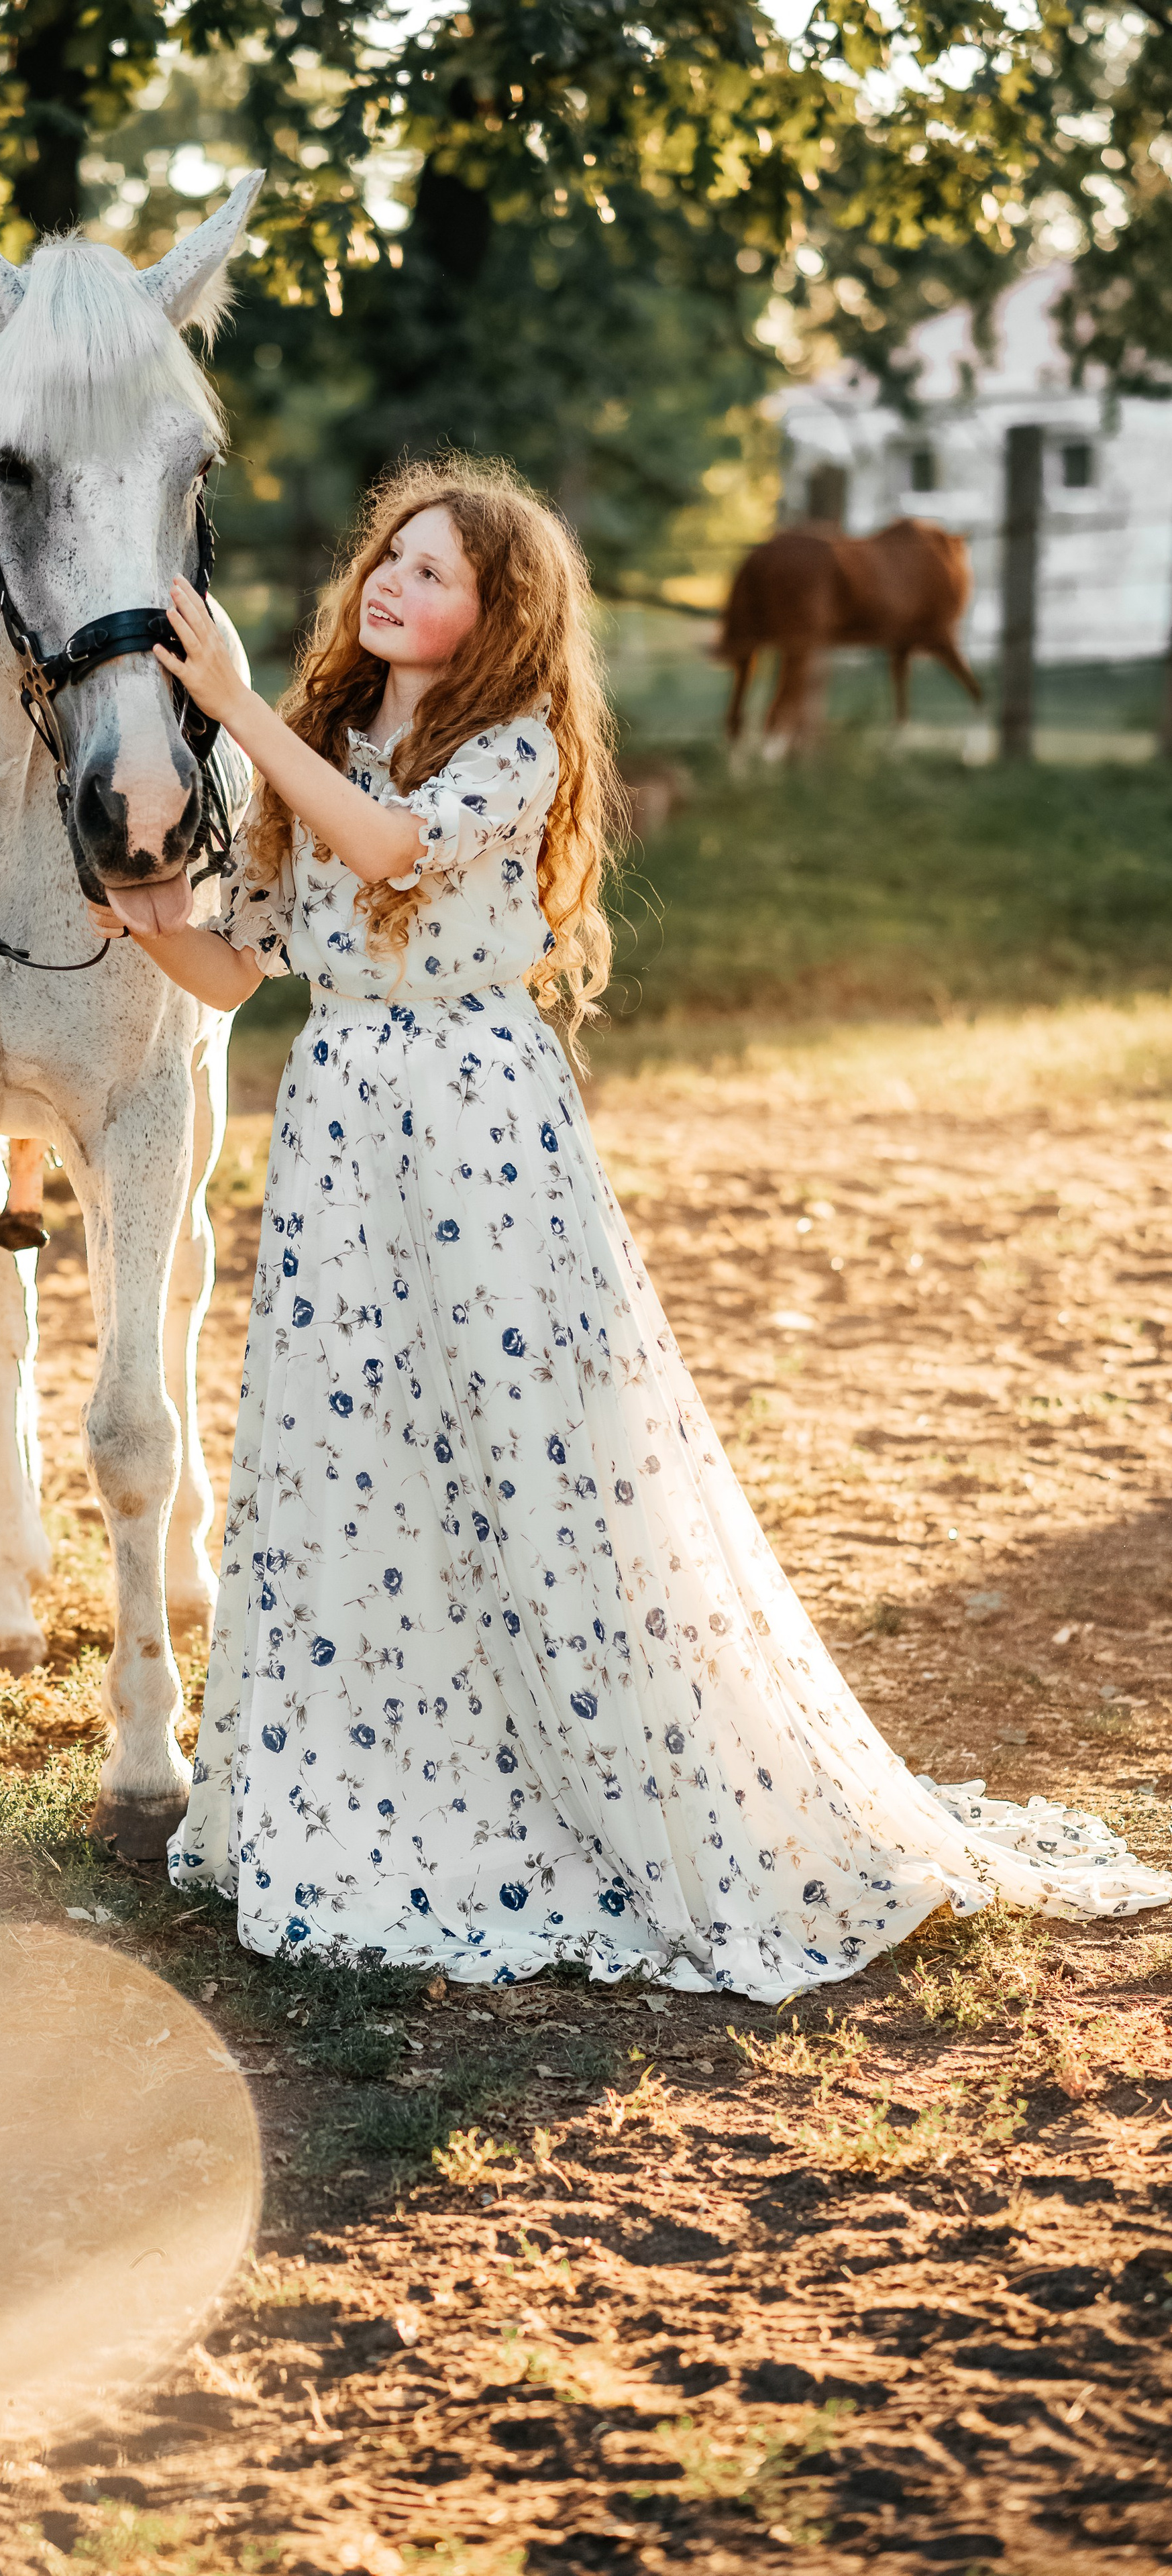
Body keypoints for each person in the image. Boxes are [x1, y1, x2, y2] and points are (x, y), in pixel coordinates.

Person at [90, 455, 1171, 1999]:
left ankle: (591, 1769)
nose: (394, 582)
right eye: (387, 558)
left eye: (436, 572)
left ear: (497, 616)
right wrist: (141, 917)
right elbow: (244, 964)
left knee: (526, 1440)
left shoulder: (511, 750)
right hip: (339, 1122)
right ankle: (368, 1768)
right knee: (358, 1442)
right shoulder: (322, 746)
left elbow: (393, 854)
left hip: (472, 1121)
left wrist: (239, 707)